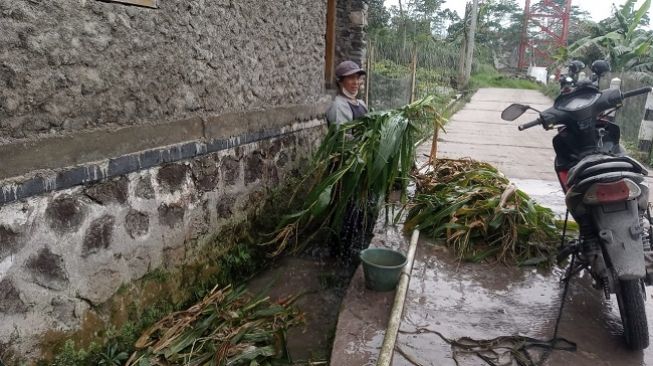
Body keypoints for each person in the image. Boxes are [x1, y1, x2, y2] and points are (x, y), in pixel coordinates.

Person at [326, 61, 368, 125]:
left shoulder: (362, 104)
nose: (356, 82)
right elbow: (342, 133)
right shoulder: (338, 106)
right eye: (351, 78)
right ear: (340, 81)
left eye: (357, 78)